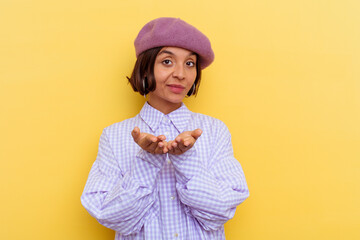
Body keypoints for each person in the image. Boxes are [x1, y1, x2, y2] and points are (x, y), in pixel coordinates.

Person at [81, 17, 249, 240]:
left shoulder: (214, 130)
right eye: (167, 61)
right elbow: (111, 216)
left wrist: (187, 162)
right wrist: (147, 162)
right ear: (145, 67)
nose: (181, 73)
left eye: (189, 63)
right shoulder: (114, 136)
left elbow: (220, 211)